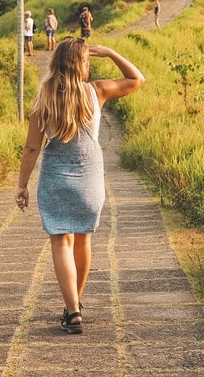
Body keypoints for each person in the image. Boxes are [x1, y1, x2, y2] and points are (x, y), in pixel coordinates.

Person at [15, 39, 145, 334]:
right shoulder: (96, 91)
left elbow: (31, 148)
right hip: (89, 176)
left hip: (54, 177)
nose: (90, 66)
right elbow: (136, 79)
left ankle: (72, 308)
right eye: (87, 61)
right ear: (80, 64)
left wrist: (22, 185)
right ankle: (74, 306)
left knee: (61, 241)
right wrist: (111, 53)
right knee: (83, 240)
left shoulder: (44, 98)